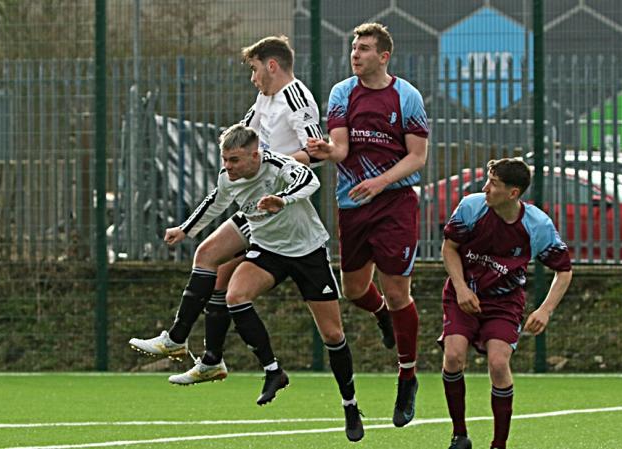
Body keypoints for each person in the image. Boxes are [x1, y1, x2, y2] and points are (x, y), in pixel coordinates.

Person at [129, 35, 395, 384]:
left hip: (283, 210)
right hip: (258, 204)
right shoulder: (263, 98)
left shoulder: (297, 98)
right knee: (211, 262)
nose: (253, 78)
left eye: (255, 70)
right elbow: (244, 136)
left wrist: (274, 165)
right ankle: (201, 354)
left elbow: (316, 153)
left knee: (327, 326)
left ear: (272, 65)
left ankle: (193, 348)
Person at [167, 123, 364, 441]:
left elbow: (309, 179)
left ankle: (350, 404)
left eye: (234, 160)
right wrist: (185, 230)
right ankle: (273, 371)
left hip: (307, 252)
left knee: (333, 334)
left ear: (254, 155)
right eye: (224, 159)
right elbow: (215, 202)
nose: (227, 167)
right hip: (267, 251)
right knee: (235, 296)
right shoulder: (227, 177)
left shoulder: (277, 165)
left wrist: (282, 200)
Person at [306, 22, 429, 427]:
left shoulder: (406, 96)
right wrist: (327, 150)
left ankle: (407, 377)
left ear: (383, 55)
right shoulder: (343, 92)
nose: (355, 54)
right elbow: (341, 148)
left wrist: (380, 181)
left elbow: (417, 157)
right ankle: (381, 316)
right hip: (353, 204)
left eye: (363, 49)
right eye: (353, 48)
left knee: (398, 292)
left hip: (394, 202)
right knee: (355, 290)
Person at [439, 158, 573, 449]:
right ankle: (459, 435)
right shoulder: (471, 207)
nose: (485, 188)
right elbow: (449, 248)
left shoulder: (538, 225)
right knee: (453, 357)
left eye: (493, 184)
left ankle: (499, 445)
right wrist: (461, 288)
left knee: (499, 364)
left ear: (513, 193)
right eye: (487, 180)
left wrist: (545, 309)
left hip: (504, 302)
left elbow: (564, 270)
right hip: (464, 294)